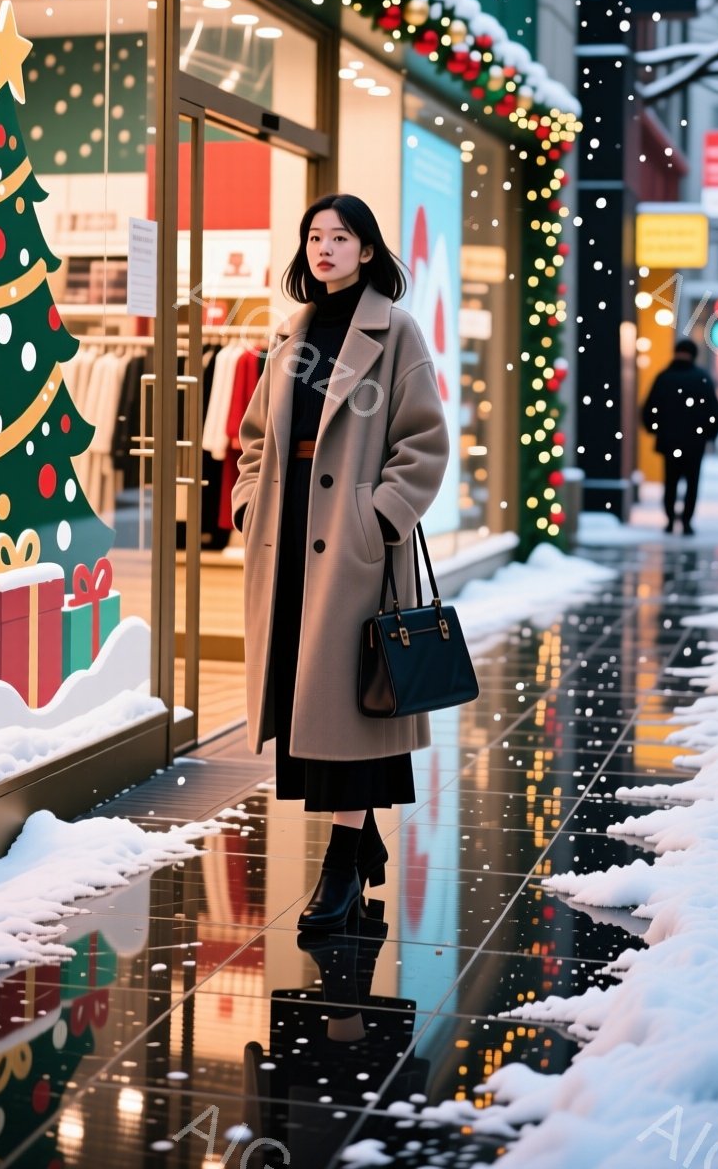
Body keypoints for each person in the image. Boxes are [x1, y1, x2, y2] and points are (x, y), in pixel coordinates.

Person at [232, 195, 449, 933]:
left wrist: (378, 517)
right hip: (289, 539)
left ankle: (339, 867)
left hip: (353, 551)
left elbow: (424, 444)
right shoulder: (292, 334)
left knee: (349, 709)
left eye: (341, 236)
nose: (325, 248)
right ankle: (363, 842)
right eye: (315, 236)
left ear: (366, 248)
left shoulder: (396, 331)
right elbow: (255, 436)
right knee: (310, 702)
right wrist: (248, 502)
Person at [640, 337, 718, 535]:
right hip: (695, 442)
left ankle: (669, 519)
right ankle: (686, 520)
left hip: (669, 440)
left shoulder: (664, 377)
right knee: (692, 482)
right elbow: (714, 411)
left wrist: (656, 429)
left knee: (670, 481)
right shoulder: (702, 378)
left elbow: (649, 409)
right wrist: (709, 434)